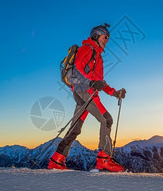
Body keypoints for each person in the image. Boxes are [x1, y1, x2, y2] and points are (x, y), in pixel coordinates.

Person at [48, 24, 126, 172]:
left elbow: (100, 82)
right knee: (107, 120)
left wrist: (116, 93)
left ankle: (57, 159)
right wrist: (90, 83)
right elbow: (77, 69)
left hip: (85, 91)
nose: (107, 40)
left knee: (75, 128)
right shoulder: (87, 49)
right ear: (96, 36)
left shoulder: (98, 56)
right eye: (105, 37)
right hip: (85, 91)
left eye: (108, 38)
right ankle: (104, 160)